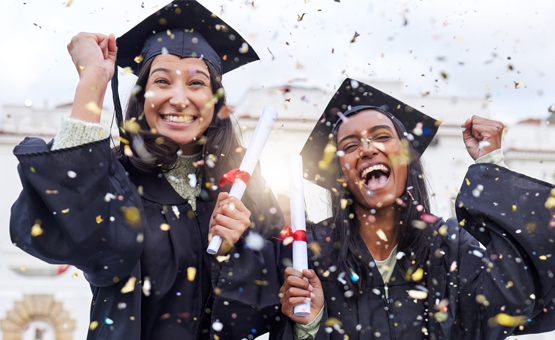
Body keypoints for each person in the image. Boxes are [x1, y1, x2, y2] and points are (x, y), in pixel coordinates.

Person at [10, 1, 284, 339]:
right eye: (162, 81)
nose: (180, 99)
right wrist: (92, 81)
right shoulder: (114, 178)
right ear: (142, 95)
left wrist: (234, 253)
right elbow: (66, 231)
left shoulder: (247, 190)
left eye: (197, 84)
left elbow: (272, 308)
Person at [216, 78, 555, 339]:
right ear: (341, 174)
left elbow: (515, 296)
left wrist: (490, 167)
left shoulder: (450, 245)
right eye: (349, 145)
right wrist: (310, 325)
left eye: (381, 137)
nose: (366, 149)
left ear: (406, 158)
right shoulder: (311, 255)